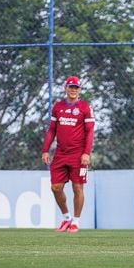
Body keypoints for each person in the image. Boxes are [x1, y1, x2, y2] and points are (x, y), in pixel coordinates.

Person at [42, 76, 95, 234]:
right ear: (66, 88)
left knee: (77, 187)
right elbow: (52, 130)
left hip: (78, 155)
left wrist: (86, 153)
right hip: (60, 154)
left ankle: (76, 222)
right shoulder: (58, 107)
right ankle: (66, 218)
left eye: (76, 88)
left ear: (80, 90)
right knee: (55, 187)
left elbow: (90, 131)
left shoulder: (85, 107)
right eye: (70, 87)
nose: (73, 90)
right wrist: (46, 150)